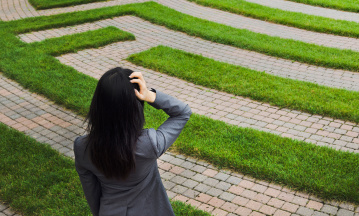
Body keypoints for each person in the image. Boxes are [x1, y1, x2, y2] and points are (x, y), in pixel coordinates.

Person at [73, 67, 192, 216]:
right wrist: (150, 95)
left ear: (98, 104)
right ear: (135, 107)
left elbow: (92, 193)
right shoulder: (149, 144)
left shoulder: (82, 147)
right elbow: (182, 112)